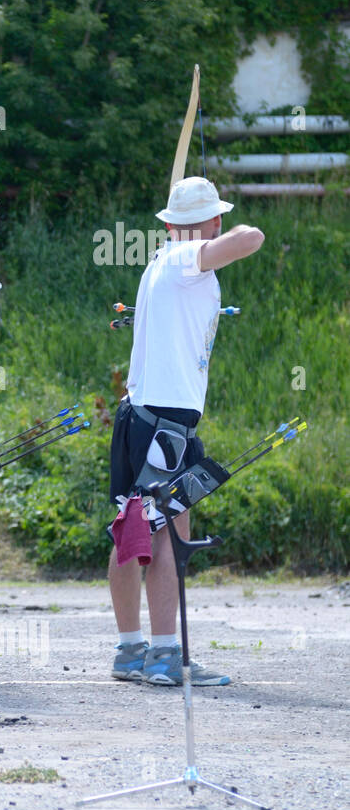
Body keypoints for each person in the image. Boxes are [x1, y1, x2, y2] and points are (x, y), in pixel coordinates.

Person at [106, 176, 265, 686]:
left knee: (133, 528)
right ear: (213, 221)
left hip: (140, 417)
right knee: (171, 537)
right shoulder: (180, 259)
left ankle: (132, 651)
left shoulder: (163, 264)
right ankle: (165, 656)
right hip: (164, 424)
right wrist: (205, 237)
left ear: (170, 222)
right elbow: (252, 238)